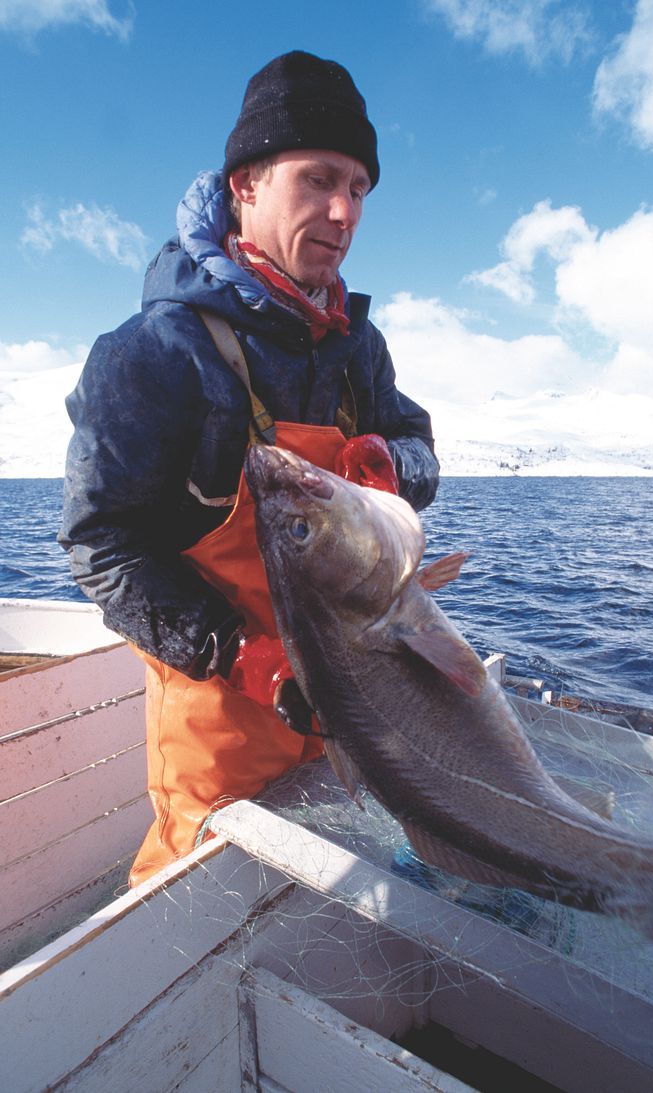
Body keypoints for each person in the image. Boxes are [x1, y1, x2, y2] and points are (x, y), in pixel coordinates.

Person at [59, 51, 440, 886]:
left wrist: (385, 464)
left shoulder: (355, 350)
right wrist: (240, 653)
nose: (344, 211)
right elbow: (99, 543)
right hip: (222, 737)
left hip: (353, 710)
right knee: (197, 916)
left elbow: (421, 451)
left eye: (361, 189)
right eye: (319, 180)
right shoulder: (156, 353)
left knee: (359, 903)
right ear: (247, 185)